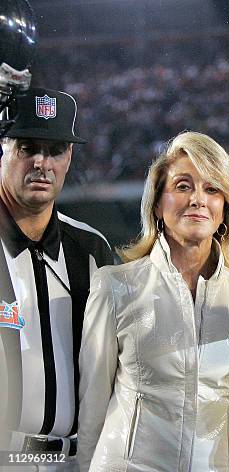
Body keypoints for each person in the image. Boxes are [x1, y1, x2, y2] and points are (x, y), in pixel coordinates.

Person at [77, 131, 229, 471]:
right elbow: (91, 407)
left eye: (212, 189)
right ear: (156, 203)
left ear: (225, 209)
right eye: (183, 186)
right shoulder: (114, 286)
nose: (197, 199)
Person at [0, 88, 114, 470]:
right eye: (27, 147)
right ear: (3, 147)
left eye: (56, 150)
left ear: (70, 156)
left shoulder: (91, 250)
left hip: (74, 460)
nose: (42, 162)